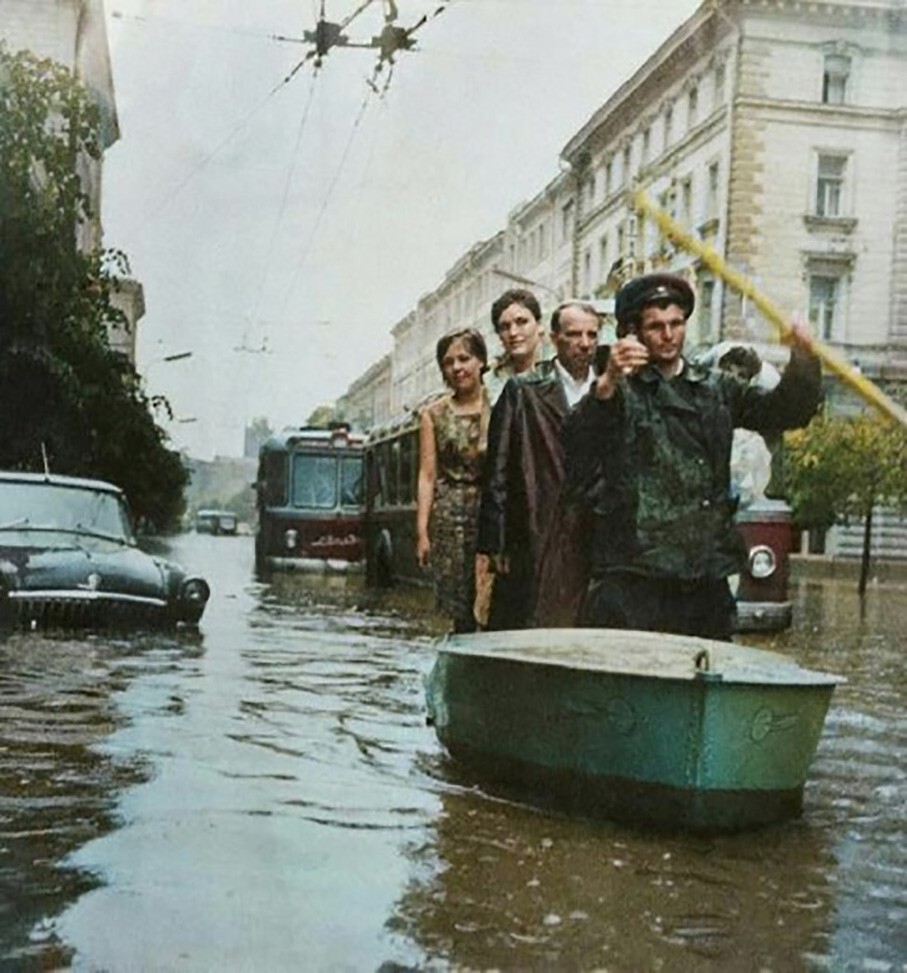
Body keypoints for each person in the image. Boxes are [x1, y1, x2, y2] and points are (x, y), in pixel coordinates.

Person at [563, 273, 821, 641]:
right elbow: (577, 443)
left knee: (705, 673)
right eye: (655, 326)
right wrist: (607, 382)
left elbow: (788, 411)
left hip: (703, 574)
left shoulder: (716, 388)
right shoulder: (619, 390)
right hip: (635, 575)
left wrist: (803, 356)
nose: (669, 335)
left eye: (676, 324)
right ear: (633, 332)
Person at [477, 300, 603, 630]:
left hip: (597, 527)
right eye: (574, 334)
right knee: (534, 618)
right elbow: (498, 468)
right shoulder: (524, 390)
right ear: (555, 338)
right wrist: (496, 541)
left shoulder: (611, 389)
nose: (585, 343)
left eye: (592, 334)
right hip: (538, 523)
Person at [416, 327, 491, 633]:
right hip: (450, 519)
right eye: (449, 362)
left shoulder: (500, 403)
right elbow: (427, 474)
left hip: (491, 511)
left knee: (493, 596)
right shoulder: (432, 414)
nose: (457, 367)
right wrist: (422, 531)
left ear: (481, 362)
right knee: (459, 603)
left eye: (465, 358)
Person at [484, 288, 547, 405]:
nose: (513, 332)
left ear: (539, 325)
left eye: (522, 322)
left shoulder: (559, 370)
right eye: (505, 327)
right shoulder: (490, 383)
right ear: (499, 335)